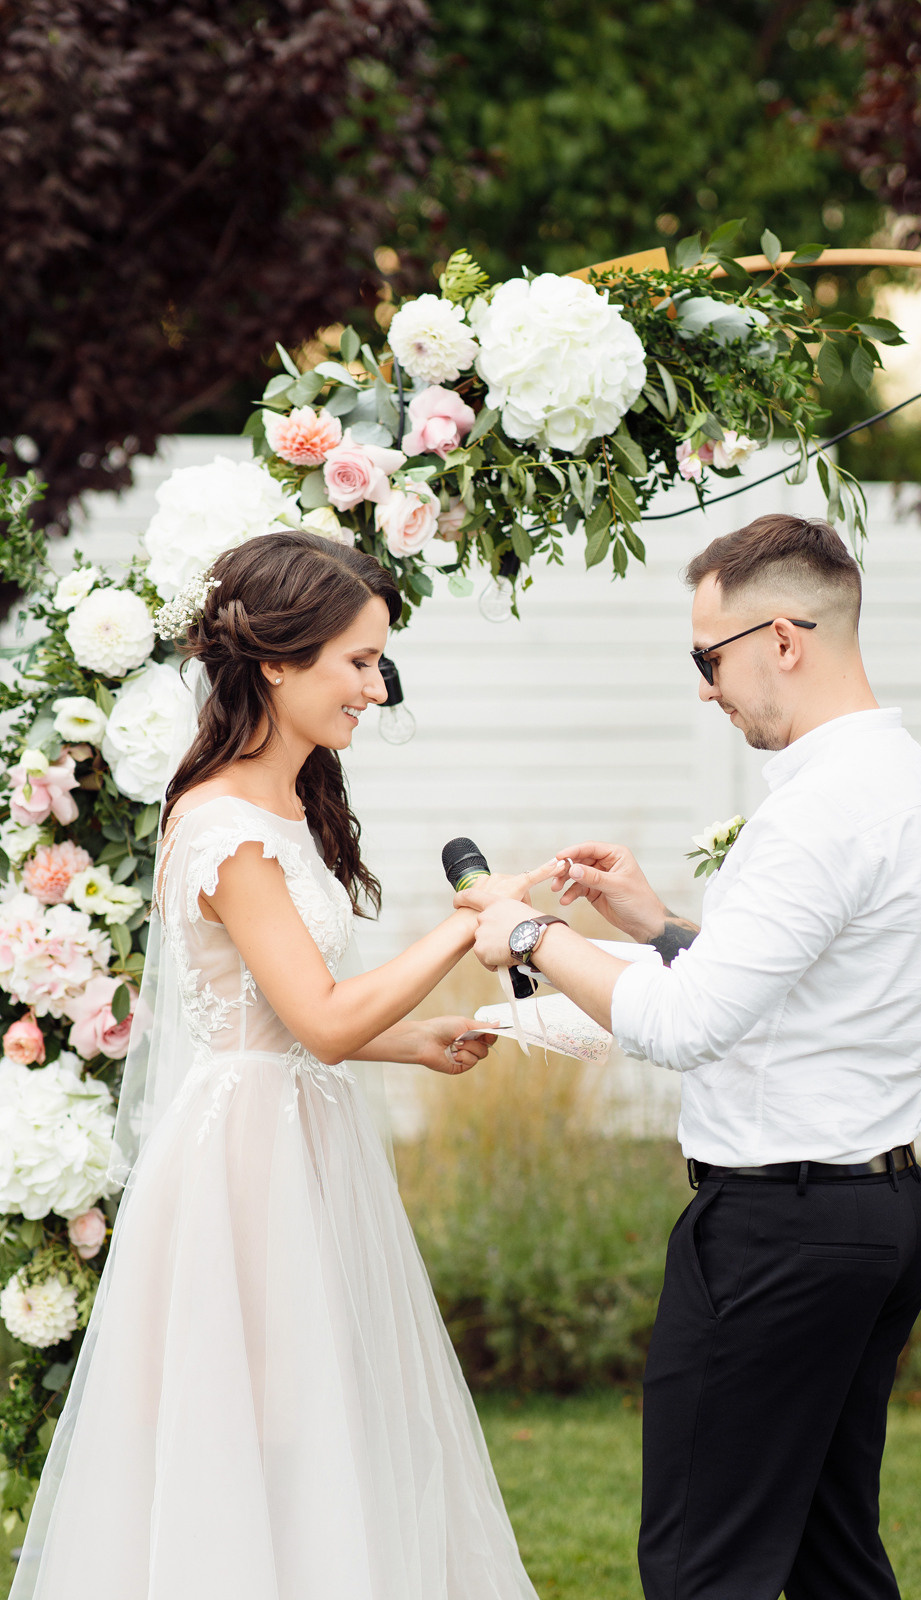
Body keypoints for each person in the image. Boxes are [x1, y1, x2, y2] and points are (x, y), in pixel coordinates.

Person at [13, 530, 538, 1600]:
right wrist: (470, 926)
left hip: (299, 1133)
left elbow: (286, 1013)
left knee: (316, 1423)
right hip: (242, 1167)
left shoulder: (292, 805)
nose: (374, 688)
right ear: (276, 662)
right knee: (259, 1428)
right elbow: (322, 1020)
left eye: (376, 660)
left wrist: (416, 1037)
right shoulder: (223, 828)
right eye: (354, 661)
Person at [459, 515, 921, 1600]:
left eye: (708, 658)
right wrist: (654, 926)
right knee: (833, 1556)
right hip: (876, 1215)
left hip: (777, 1234)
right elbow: (794, 995)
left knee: (703, 1564)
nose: (705, 688)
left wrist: (526, 936)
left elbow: (685, 1027)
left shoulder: (815, 813)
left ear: (781, 636)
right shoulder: (912, 783)